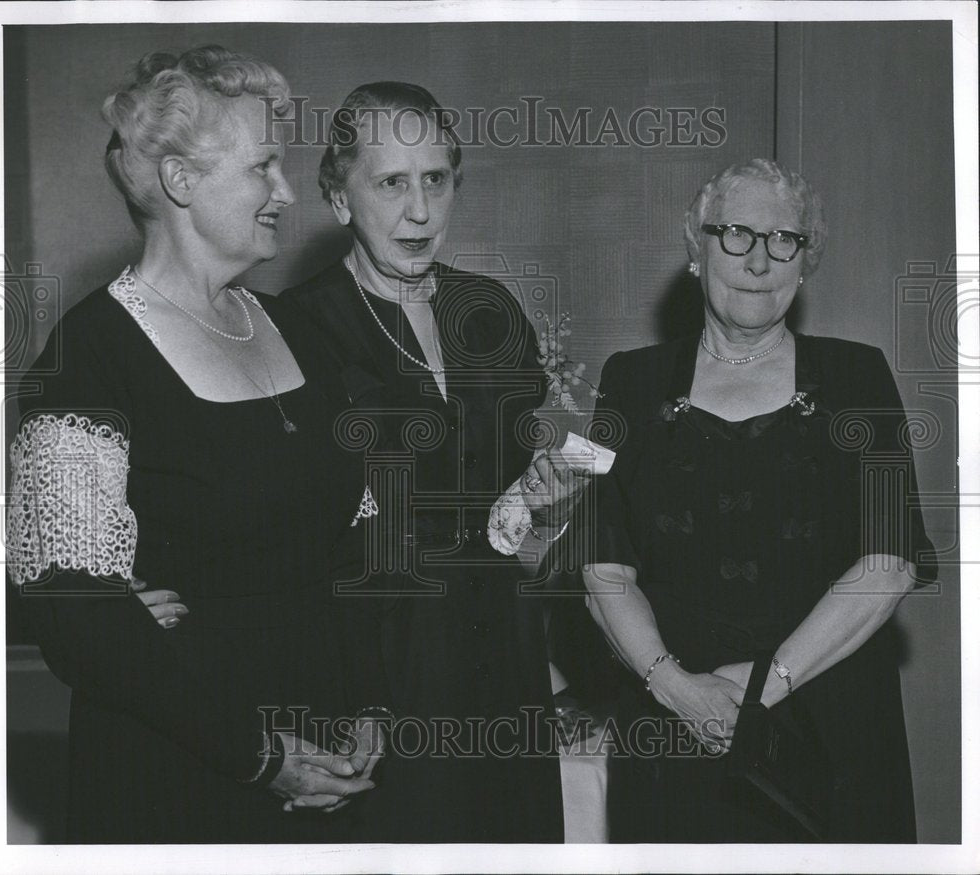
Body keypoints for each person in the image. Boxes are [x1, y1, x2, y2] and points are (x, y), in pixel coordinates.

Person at [5, 46, 379, 843]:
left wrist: (373, 705)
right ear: (180, 182)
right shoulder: (89, 358)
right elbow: (75, 610)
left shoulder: (302, 330)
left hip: (332, 766)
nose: (286, 192)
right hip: (180, 773)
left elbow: (364, 540)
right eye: (264, 167)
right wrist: (259, 756)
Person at [583, 158, 934, 842]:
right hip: (673, 729)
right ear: (697, 248)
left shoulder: (857, 375)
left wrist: (761, 690)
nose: (759, 259)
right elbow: (602, 569)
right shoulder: (630, 380)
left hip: (828, 732)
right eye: (736, 234)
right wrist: (678, 689)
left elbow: (889, 562)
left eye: (785, 240)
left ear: (805, 264)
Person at [281, 81, 587, 842]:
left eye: (435, 179)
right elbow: (282, 534)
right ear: (340, 197)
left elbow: (515, 495)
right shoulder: (293, 329)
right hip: (375, 671)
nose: (419, 210)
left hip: (504, 658)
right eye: (390, 183)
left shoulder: (491, 311)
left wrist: (543, 496)